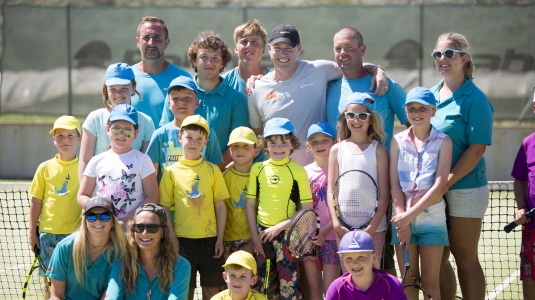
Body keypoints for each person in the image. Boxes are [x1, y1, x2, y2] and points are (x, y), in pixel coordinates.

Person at [326, 28, 409, 276]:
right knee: (349, 276)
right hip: (345, 209)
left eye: (350, 47)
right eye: (338, 48)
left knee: (383, 269)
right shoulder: (328, 82)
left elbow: (413, 128)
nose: (343, 53)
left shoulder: (386, 84)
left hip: (386, 196)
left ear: (362, 50)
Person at [247, 24, 388, 166]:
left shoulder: (320, 70)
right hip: (276, 177)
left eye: (288, 48)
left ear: (299, 49)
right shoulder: (256, 88)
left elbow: (352, 64)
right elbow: (258, 133)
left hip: (316, 175)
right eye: (277, 48)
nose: (283, 53)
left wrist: (377, 68)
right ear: (269, 49)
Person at [430, 32, 494, 300]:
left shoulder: (476, 99)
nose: (442, 59)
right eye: (438, 54)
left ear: (463, 58)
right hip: (434, 190)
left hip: (465, 189)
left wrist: (448, 181)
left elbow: (477, 148)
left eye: (449, 54)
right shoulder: (431, 95)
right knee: (437, 257)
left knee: (465, 257)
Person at [390, 87, 452, 299]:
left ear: (433, 111)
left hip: (432, 217)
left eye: (422, 109)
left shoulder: (444, 141)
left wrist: (408, 216)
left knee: (429, 282)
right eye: (411, 108)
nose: (416, 113)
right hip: (402, 217)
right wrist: (402, 220)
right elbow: (394, 185)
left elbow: (439, 186)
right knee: (407, 282)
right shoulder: (397, 141)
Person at [159, 115, 229, 300]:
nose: (193, 142)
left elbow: (220, 206)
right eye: (189, 137)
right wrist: (172, 237)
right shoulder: (170, 172)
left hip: (210, 240)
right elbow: (164, 207)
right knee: (185, 291)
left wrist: (220, 239)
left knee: (212, 291)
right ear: (180, 137)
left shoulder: (213, 170)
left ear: (206, 142)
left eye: (199, 139)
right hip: (182, 240)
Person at [245, 118, 313, 300]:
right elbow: (250, 204)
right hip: (262, 235)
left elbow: (306, 209)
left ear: (292, 144)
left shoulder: (299, 171)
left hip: (288, 237)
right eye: (272, 143)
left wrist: (279, 228)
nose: (278, 148)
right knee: (263, 287)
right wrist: (255, 237)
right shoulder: (257, 169)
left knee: (288, 288)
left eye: (284, 143)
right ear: (265, 145)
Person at [160, 31, 249, 169]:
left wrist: (209, 172)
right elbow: (168, 136)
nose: (209, 62)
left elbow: (236, 144)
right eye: (204, 57)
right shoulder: (176, 94)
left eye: (215, 58)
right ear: (194, 60)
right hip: (178, 174)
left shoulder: (236, 99)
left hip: (219, 175)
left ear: (222, 63)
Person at [326, 93, 390, 271]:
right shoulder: (336, 150)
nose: (356, 120)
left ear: (371, 120)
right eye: (351, 115)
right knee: (349, 275)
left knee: (371, 275)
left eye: (362, 115)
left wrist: (372, 227)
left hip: (374, 228)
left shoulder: (379, 151)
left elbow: (385, 195)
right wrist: (337, 224)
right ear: (344, 117)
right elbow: (331, 191)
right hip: (344, 226)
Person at [78, 104, 159, 226]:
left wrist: (128, 220)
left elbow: (153, 196)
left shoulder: (143, 160)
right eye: (116, 129)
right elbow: (82, 195)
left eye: (127, 131)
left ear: (135, 133)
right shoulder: (96, 161)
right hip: (103, 227)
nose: (121, 135)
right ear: (108, 129)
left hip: (132, 229)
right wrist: (99, 213)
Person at [28, 115, 82, 298]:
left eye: (70, 135)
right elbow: (36, 201)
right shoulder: (44, 168)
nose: (65, 140)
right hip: (48, 234)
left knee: (74, 280)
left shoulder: (85, 168)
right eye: (60, 136)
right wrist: (32, 233)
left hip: (76, 234)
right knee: (50, 281)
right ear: (53, 140)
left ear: (79, 139)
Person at [78, 62, 155, 180]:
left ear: (133, 88)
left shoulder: (146, 122)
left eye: (124, 88)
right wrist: (86, 194)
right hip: (99, 195)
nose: (118, 94)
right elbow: (85, 161)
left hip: (134, 196)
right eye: (113, 89)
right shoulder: (94, 118)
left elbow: (147, 166)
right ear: (106, 90)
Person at [46, 196, 127, 300]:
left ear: (113, 222)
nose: (98, 221)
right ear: (85, 221)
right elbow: (56, 296)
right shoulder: (64, 247)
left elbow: (110, 294)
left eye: (105, 216)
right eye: (91, 216)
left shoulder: (121, 251)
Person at [146, 76, 223, 183]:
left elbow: (216, 170)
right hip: (166, 199)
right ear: (169, 104)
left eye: (187, 98)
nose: (181, 102)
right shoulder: (159, 135)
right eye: (175, 98)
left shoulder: (208, 133)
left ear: (197, 103)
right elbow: (151, 174)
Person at [105, 204, 191, 300]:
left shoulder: (180, 266)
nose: (145, 233)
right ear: (133, 231)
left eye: (152, 227)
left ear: (162, 232)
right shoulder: (120, 266)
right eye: (139, 227)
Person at [301, 122, 340, 300]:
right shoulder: (304, 173)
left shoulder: (340, 171)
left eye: (325, 140)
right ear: (308, 147)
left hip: (333, 238)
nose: (320, 145)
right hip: (309, 241)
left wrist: (325, 232)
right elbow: (302, 210)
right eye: (314, 142)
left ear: (335, 142)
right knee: (314, 289)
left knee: (330, 291)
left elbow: (341, 210)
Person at [131, 16, 192, 128]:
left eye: (157, 37)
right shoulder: (127, 77)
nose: (151, 43)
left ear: (166, 42)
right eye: (146, 37)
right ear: (137, 42)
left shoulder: (183, 78)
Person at [324, 231, 406, 300]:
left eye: (361, 257)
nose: (355, 263)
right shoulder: (337, 288)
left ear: (374, 257)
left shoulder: (391, 285)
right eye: (349, 258)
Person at [511, 86, 535, 300]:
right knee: (529, 279)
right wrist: (521, 208)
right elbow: (519, 180)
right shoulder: (528, 143)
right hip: (532, 227)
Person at [222, 127, 261, 257]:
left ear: (256, 151)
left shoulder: (262, 178)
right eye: (235, 146)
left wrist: (255, 242)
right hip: (228, 240)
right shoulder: (223, 178)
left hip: (255, 239)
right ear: (229, 152)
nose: (240, 149)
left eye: (246, 146)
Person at [222, 20, 270, 95]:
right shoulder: (223, 83)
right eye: (244, 41)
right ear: (236, 49)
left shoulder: (273, 81)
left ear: (263, 50)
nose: (249, 45)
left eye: (255, 42)